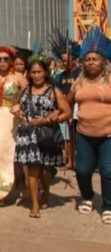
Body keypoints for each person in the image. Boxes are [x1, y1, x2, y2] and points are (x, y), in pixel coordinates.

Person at [12, 54, 70, 218]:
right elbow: (15, 105)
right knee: (32, 169)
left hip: (46, 134)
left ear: (45, 72)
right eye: (33, 72)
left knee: (45, 170)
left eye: (39, 72)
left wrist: (49, 119)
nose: (36, 75)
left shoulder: (54, 91)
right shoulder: (24, 90)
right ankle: (35, 205)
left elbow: (67, 113)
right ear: (29, 74)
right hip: (28, 134)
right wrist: (17, 113)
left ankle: (46, 191)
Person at [67, 27, 111, 224]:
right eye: (88, 59)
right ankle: (87, 196)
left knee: (108, 171)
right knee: (83, 170)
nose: (91, 62)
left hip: (108, 134)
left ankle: (108, 206)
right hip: (84, 133)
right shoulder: (79, 82)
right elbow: (67, 102)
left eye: (95, 59)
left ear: (104, 62)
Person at [0, 46, 27, 206]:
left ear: (11, 61)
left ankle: (19, 183)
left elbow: (29, 94)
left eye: (6, 59)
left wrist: (19, 105)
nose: (2, 61)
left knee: (12, 153)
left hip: (12, 118)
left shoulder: (18, 76)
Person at [49, 29, 81, 171]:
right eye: (62, 60)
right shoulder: (61, 75)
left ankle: (78, 159)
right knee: (68, 135)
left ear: (73, 59)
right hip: (67, 107)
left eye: (66, 60)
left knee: (77, 135)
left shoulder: (80, 73)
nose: (63, 62)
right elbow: (58, 90)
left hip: (79, 107)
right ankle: (69, 159)